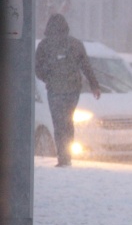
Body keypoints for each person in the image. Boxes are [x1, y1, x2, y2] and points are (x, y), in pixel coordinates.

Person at [35, 14, 101, 167]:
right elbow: (86, 67)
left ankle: (62, 157)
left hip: (55, 90)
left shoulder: (44, 45)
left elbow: (37, 68)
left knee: (58, 123)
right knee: (68, 121)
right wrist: (94, 86)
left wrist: (49, 78)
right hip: (72, 90)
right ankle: (67, 155)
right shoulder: (75, 44)